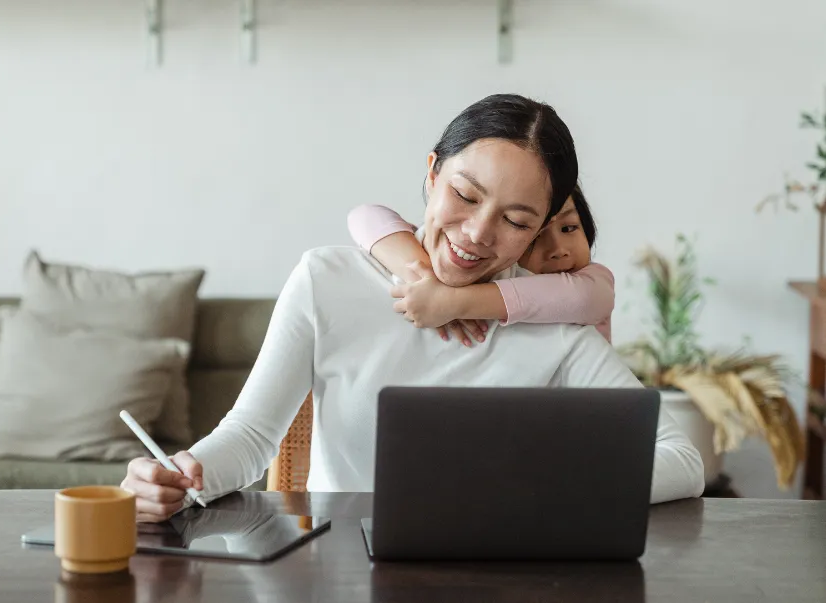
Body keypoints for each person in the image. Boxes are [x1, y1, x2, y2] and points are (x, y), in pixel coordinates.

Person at [121, 93, 705, 523]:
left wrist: (551, 485)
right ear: (431, 174)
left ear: (540, 230)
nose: (477, 233)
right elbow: (250, 438)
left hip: (498, 580)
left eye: (516, 220)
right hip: (340, 575)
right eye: (465, 195)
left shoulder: (552, 322)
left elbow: (682, 459)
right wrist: (178, 475)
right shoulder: (328, 281)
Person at [346, 184, 614, 346]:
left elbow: (582, 298)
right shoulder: (484, 271)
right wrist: (423, 278)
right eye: (535, 237)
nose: (559, 250)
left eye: (569, 228)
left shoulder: (593, 282)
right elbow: (365, 216)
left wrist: (453, 301)